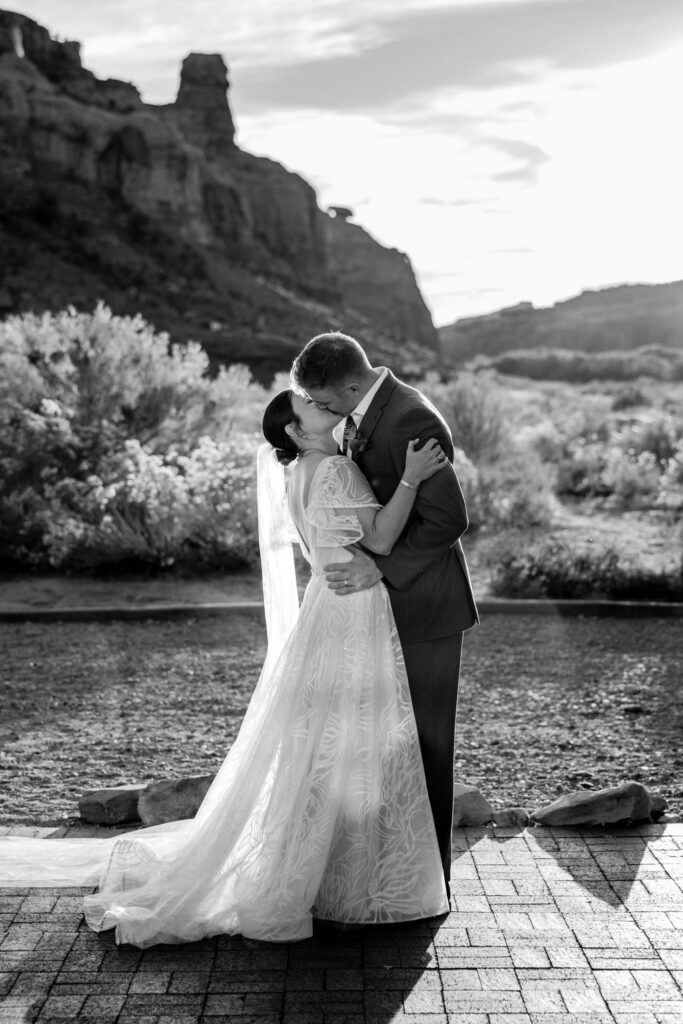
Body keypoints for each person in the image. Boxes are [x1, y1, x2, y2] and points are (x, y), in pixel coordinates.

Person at [0, 389, 451, 946]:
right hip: (353, 609)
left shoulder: (299, 473)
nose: (319, 402)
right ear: (294, 429)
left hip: (323, 607)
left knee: (321, 743)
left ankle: (331, 870)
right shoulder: (334, 468)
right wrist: (410, 478)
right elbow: (380, 536)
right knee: (354, 738)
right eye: (307, 403)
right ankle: (361, 878)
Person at [291, 331, 479, 897]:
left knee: (426, 745)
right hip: (376, 613)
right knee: (384, 744)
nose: (323, 411)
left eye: (325, 400)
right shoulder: (358, 414)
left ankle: (430, 883)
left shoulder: (410, 418)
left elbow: (448, 519)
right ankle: (387, 870)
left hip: (424, 608)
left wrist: (380, 570)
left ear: (351, 384)